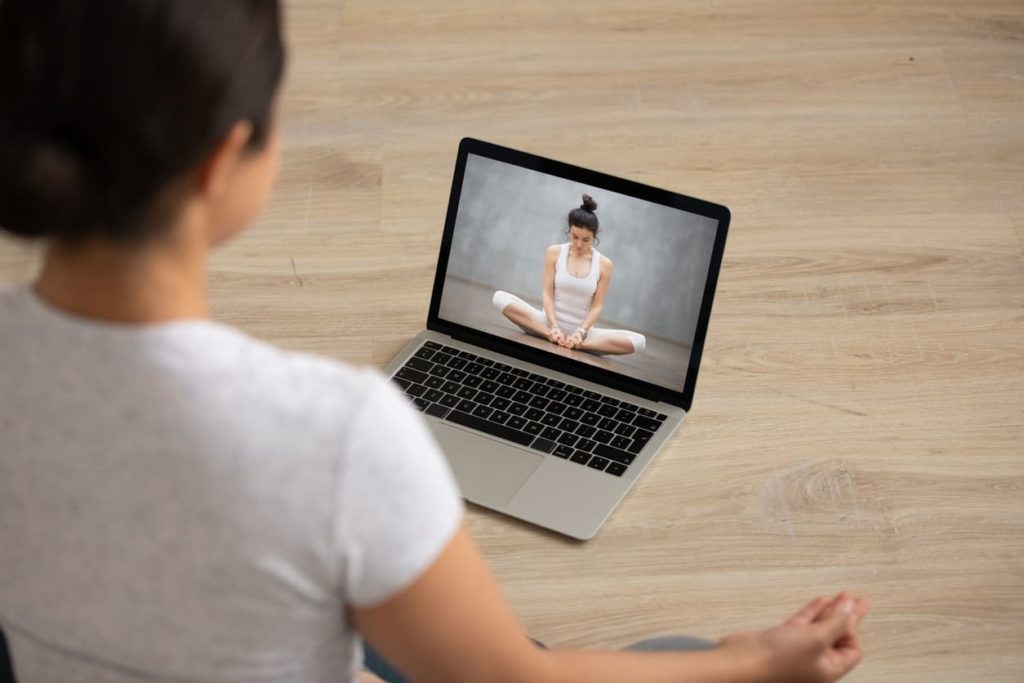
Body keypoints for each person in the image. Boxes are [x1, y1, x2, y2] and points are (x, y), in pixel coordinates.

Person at [0, 1, 870, 682]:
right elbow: (506, 679)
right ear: (220, 159)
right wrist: (758, 659)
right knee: (689, 651)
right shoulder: (333, 433)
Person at [493, 195, 648, 355]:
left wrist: (580, 333)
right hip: (547, 323)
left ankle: (580, 345)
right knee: (499, 297)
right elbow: (547, 292)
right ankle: (550, 336)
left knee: (639, 341)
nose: (579, 244)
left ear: (595, 236)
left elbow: (597, 305)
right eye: (575, 237)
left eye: (586, 239)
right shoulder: (554, 252)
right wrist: (553, 327)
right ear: (569, 231)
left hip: (582, 333)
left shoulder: (604, 264)